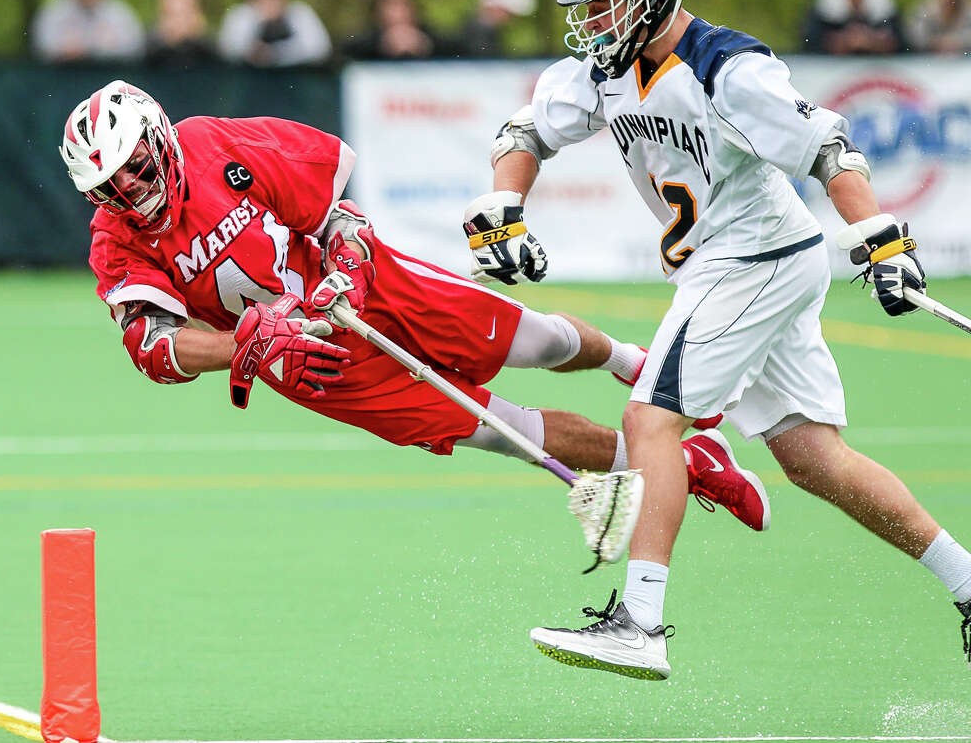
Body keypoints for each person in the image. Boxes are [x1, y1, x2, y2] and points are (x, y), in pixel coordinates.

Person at [464, 0, 971, 679]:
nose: (594, 21)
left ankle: (639, 621)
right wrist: (504, 208)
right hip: (750, 261)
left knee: (649, 418)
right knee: (813, 458)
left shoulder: (726, 67)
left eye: (606, 1)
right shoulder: (605, 69)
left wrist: (886, 239)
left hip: (749, 259)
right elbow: (525, 132)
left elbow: (829, 148)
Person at [58, 80, 771, 553]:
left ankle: (630, 361)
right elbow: (152, 346)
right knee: (496, 426)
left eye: (136, 166)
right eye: (108, 186)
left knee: (533, 338)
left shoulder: (217, 143)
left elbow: (335, 209)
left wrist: (345, 259)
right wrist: (243, 339)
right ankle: (684, 462)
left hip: (369, 285)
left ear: (160, 139)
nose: (129, 189)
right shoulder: (115, 241)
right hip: (310, 361)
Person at [216, 0, 332, 67]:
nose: (265, 3)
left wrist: (276, 53)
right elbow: (227, 49)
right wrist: (257, 21)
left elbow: (319, 49)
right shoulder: (242, 14)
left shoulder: (298, 12)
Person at [342, 0, 446, 61]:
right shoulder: (368, 39)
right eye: (390, 6)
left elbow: (455, 48)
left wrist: (425, 44)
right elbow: (343, 52)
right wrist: (382, 44)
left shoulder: (428, 35)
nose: (396, 13)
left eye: (402, 5)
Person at [455, 0, 537, 58]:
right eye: (509, 13)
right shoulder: (478, 37)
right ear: (496, 8)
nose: (510, 20)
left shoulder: (472, 32)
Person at [146, 0, 219, 67]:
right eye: (171, 14)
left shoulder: (215, 53)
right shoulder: (144, 53)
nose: (178, 22)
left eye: (185, 14)